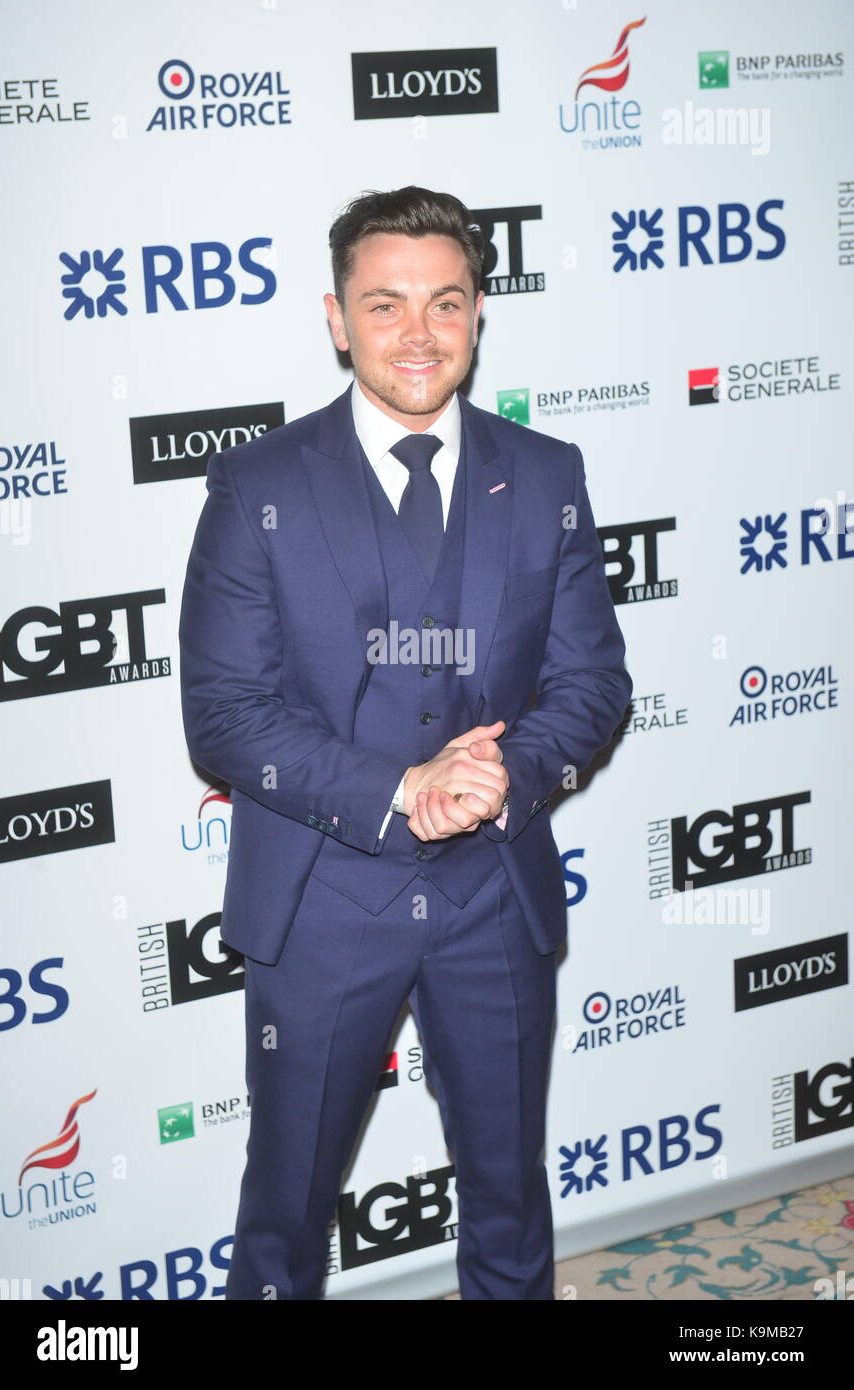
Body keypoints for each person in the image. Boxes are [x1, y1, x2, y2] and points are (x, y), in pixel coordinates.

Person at [178, 186, 632, 1300]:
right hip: (321, 900)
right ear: (337, 319)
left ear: (480, 311)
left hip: (494, 895)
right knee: (284, 1210)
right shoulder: (260, 484)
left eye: (447, 302)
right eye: (385, 306)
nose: (418, 335)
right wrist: (401, 787)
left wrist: (503, 775)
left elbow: (593, 684)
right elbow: (224, 712)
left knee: (510, 1197)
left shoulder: (546, 474)